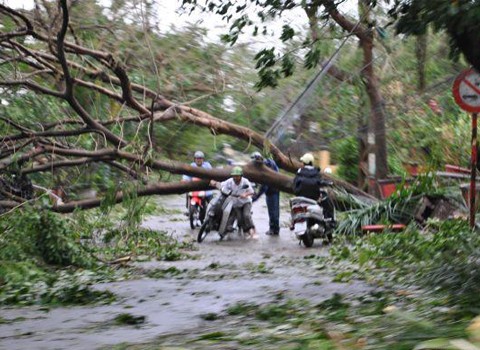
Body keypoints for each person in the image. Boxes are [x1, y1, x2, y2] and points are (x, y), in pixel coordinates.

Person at [211, 166, 257, 239]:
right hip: (235, 203)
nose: (235, 178)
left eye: (237, 176)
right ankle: (245, 231)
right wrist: (215, 183)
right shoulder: (230, 181)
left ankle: (253, 230)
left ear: (241, 176)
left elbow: (252, 191)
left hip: (245, 202)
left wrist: (245, 194)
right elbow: (222, 184)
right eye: (234, 176)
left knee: (246, 215)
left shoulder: (245, 181)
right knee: (239, 218)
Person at [293, 153, 335, 223]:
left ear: (304, 163)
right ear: (311, 162)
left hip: (300, 198)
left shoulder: (299, 172)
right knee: (328, 203)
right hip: (314, 198)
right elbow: (320, 182)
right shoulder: (316, 172)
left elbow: (295, 184)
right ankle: (330, 221)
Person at [251, 151, 280, 236]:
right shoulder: (270, 163)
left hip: (272, 191)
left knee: (272, 211)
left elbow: (264, 186)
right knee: (275, 211)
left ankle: (274, 229)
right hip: (275, 189)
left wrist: (255, 197)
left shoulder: (265, 167)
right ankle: (275, 229)